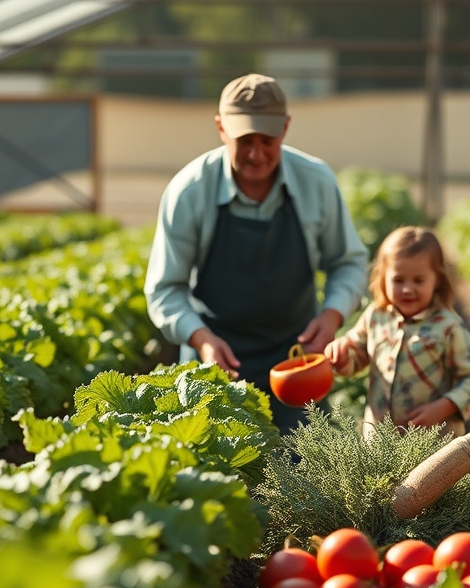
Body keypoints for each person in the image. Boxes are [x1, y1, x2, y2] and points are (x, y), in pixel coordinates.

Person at [144, 73, 369, 433]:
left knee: (307, 472)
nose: (256, 153)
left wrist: (331, 316)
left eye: (268, 140)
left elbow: (348, 262)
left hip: (296, 361)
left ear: (286, 128)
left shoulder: (316, 181)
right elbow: (164, 289)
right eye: (244, 139)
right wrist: (201, 340)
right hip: (214, 357)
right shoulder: (188, 191)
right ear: (221, 128)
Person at [323, 226, 470, 439]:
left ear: (437, 279)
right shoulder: (376, 316)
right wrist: (342, 352)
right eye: (398, 280)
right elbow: (357, 354)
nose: (408, 289)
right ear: (383, 278)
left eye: (418, 280)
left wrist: (443, 407)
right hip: (380, 437)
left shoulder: (448, 327)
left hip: (432, 441)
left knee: (432, 474)